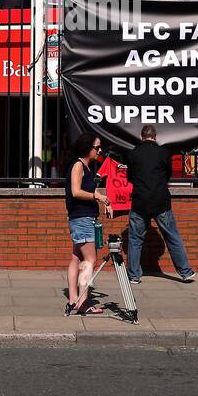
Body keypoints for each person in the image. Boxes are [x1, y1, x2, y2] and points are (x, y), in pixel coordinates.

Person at [123, 125, 195, 285]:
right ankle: (185, 272)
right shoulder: (163, 153)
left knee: (135, 239)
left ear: (141, 137)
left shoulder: (133, 153)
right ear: (154, 137)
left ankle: (134, 275)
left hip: (140, 200)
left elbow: (130, 177)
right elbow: (168, 173)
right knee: (172, 236)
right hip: (160, 200)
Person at [64, 131, 114, 316]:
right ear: (87, 147)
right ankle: (83, 304)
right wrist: (98, 197)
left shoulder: (86, 166)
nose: (99, 150)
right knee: (90, 260)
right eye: (97, 147)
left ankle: (73, 300)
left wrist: (102, 202)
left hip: (80, 218)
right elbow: (76, 192)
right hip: (82, 219)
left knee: (76, 258)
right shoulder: (78, 165)